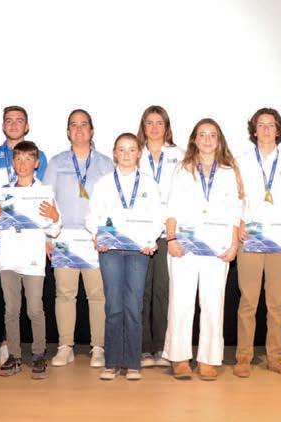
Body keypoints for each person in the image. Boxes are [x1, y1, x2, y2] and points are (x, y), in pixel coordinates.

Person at [162, 118, 242, 381]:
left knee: (213, 304)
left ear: (219, 140)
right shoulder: (182, 169)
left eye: (212, 135)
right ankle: (179, 358)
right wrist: (171, 239)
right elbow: (172, 207)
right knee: (181, 302)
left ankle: (208, 359)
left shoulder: (229, 172)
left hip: (217, 249)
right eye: (202, 134)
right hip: (184, 247)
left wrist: (234, 245)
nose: (207, 139)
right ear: (194, 140)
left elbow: (236, 212)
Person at [87, 133, 163, 380]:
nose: (127, 154)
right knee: (113, 306)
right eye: (122, 149)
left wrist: (150, 240)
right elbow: (93, 215)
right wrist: (97, 236)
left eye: (131, 149)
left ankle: (132, 363)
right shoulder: (104, 183)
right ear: (114, 153)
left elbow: (157, 217)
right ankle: (111, 362)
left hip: (138, 251)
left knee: (133, 306)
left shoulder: (149, 184)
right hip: (110, 250)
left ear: (139, 153)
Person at [233, 108, 281, 377]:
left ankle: (275, 356)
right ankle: (243, 357)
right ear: (254, 130)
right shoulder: (240, 161)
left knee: (276, 303)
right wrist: (238, 223)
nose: (265, 129)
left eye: (271, 125)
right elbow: (235, 198)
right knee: (248, 301)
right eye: (261, 125)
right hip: (250, 238)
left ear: (278, 130)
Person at [0, 105, 50, 364]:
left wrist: (49, 235)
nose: (14, 124)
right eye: (9, 120)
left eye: (20, 121)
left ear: (27, 126)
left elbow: (46, 207)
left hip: (29, 246)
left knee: (29, 305)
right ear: (3, 125)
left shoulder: (40, 159)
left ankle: (20, 347)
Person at [44, 109, 114, 368]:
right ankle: (65, 346)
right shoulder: (56, 163)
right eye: (74, 125)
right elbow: (46, 200)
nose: (79, 129)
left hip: (94, 238)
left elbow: (113, 203)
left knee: (97, 294)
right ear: (68, 131)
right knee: (64, 293)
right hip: (64, 237)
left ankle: (99, 347)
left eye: (84, 124)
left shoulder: (106, 163)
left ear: (92, 130)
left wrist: (107, 235)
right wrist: (47, 236)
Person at [0, 140, 60, 379]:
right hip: (8, 258)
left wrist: (55, 217)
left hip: (33, 259)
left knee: (35, 309)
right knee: (11, 309)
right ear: (13, 162)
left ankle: (38, 354)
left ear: (37, 163)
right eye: (18, 159)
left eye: (28, 159)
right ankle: (14, 355)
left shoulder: (45, 191)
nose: (23, 163)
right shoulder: (3, 192)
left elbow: (54, 228)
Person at [136, 105, 183, 368]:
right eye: (149, 123)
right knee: (142, 291)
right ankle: (144, 348)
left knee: (164, 291)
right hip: (141, 233)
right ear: (143, 126)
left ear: (166, 127)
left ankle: (163, 348)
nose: (154, 128)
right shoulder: (134, 153)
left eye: (159, 123)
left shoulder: (179, 155)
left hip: (168, 233)